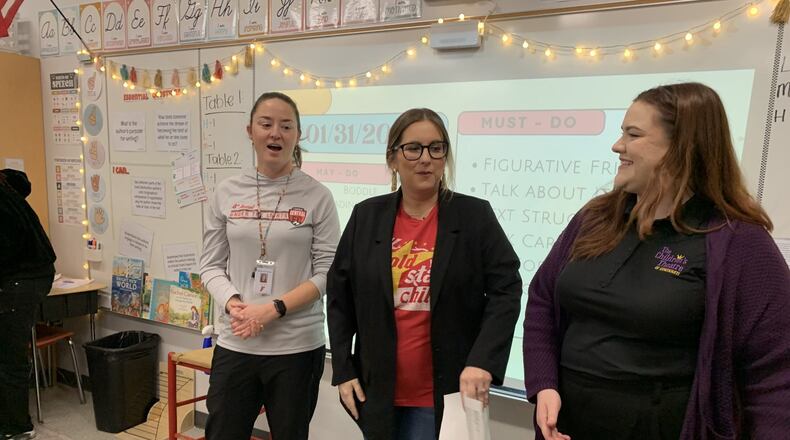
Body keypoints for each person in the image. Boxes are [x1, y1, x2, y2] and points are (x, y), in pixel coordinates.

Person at [523, 82, 790, 440]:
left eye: (633, 135)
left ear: (681, 148)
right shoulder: (595, 218)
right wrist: (544, 384)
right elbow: (542, 299)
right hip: (567, 425)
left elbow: (775, 370)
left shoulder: (737, 240)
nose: (618, 146)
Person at [327, 108, 522, 439]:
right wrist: (343, 369)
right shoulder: (366, 216)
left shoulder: (474, 216)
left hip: (446, 390)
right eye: (413, 148)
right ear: (393, 158)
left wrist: (483, 361)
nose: (426, 158)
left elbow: (507, 290)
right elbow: (339, 295)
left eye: (436, 148)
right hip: (378, 389)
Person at [200, 91, 340, 440]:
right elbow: (210, 265)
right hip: (237, 341)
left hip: (296, 346)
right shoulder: (227, 191)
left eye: (286, 125)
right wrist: (235, 304)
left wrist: (274, 309)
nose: (275, 133)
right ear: (250, 131)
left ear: (297, 135)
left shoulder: (318, 196)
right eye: (266, 124)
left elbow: (327, 273)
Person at [0, 169, 57, 440]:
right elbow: (22, 178)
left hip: (22, 279)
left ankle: (17, 427)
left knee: (9, 355)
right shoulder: (6, 184)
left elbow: (6, 250)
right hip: (33, 274)